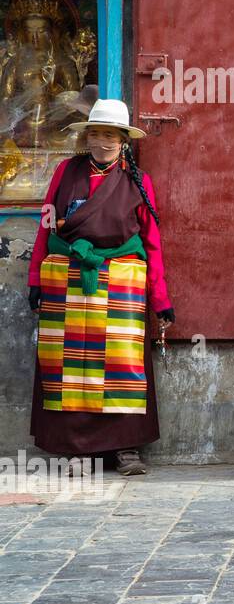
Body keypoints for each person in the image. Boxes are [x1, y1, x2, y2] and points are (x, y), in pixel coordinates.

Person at [28, 91, 174, 475]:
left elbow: (151, 241)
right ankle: (76, 450)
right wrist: (35, 279)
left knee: (121, 365)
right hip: (68, 278)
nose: (102, 142)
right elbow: (46, 224)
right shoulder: (66, 172)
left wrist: (160, 299)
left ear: (123, 140)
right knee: (70, 365)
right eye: (96, 133)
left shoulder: (138, 182)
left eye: (111, 135)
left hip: (121, 280)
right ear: (86, 136)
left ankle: (125, 449)